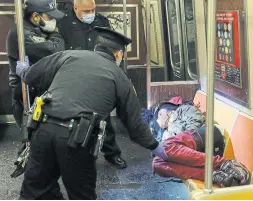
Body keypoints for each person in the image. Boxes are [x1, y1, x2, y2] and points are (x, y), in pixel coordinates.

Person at [15, 27, 167, 200]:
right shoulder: (120, 77)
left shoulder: (68, 55)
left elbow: (31, 75)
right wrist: (157, 148)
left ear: (96, 48)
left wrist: (23, 70)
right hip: (76, 139)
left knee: (35, 190)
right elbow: (135, 125)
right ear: (118, 55)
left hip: (42, 129)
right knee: (81, 194)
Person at [58, 0, 127, 169]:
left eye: (93, 9)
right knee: (74, 119)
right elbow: (59, 49)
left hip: (98, 75)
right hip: (74, 75)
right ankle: (75, 157)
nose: (91, 13)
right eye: (87, 10)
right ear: (75, 8)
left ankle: (112, 154)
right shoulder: (63, 23)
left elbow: (111, 45)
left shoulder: (102, 22)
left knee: (103, 118)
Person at [6, 0, 65, 130]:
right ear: (35, 16)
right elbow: (55, 51)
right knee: (33, 137)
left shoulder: (37, 28)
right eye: (49, 17)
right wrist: (55, 33)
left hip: (38, 88)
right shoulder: (21, 33)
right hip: (27, 93)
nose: (53, 20)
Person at [152, 125, 251, 187]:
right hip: (193, 150)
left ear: (169, 112)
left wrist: (174, 127)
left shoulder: (181, 110)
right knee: (157, 163)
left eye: (161, 113)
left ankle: (224, 163)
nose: (159, 118)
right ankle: (213, 175)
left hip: (205, 136)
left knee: (166, 146)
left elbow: (194, 119)